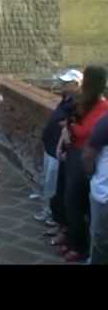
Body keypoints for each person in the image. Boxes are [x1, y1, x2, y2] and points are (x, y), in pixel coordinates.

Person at [56, 65, 108, 262]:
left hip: (82, 158)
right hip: (74, 154)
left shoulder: (103, 107)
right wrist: (69, 128)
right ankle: (72, 239)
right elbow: (73, 121)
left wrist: (71, 128)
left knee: (76, 203)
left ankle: (80, 245)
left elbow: (87, 132)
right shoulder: (86, 102)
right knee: (69, 200)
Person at [35, 69, 82, 230]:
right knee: (49, 182)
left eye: (66, 83)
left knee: (54, 184)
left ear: (76, 84)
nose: (63, 85)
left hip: (58, 150)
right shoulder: (66, 99)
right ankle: (49, 212)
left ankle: (53, 216)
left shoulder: (77, 103)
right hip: (51, 147)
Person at [83, 111, 108, 264]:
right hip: (104, 194)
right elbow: (89, 155)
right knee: (100, 239)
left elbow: (88, 156)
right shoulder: (106, 122)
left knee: (100, 239)